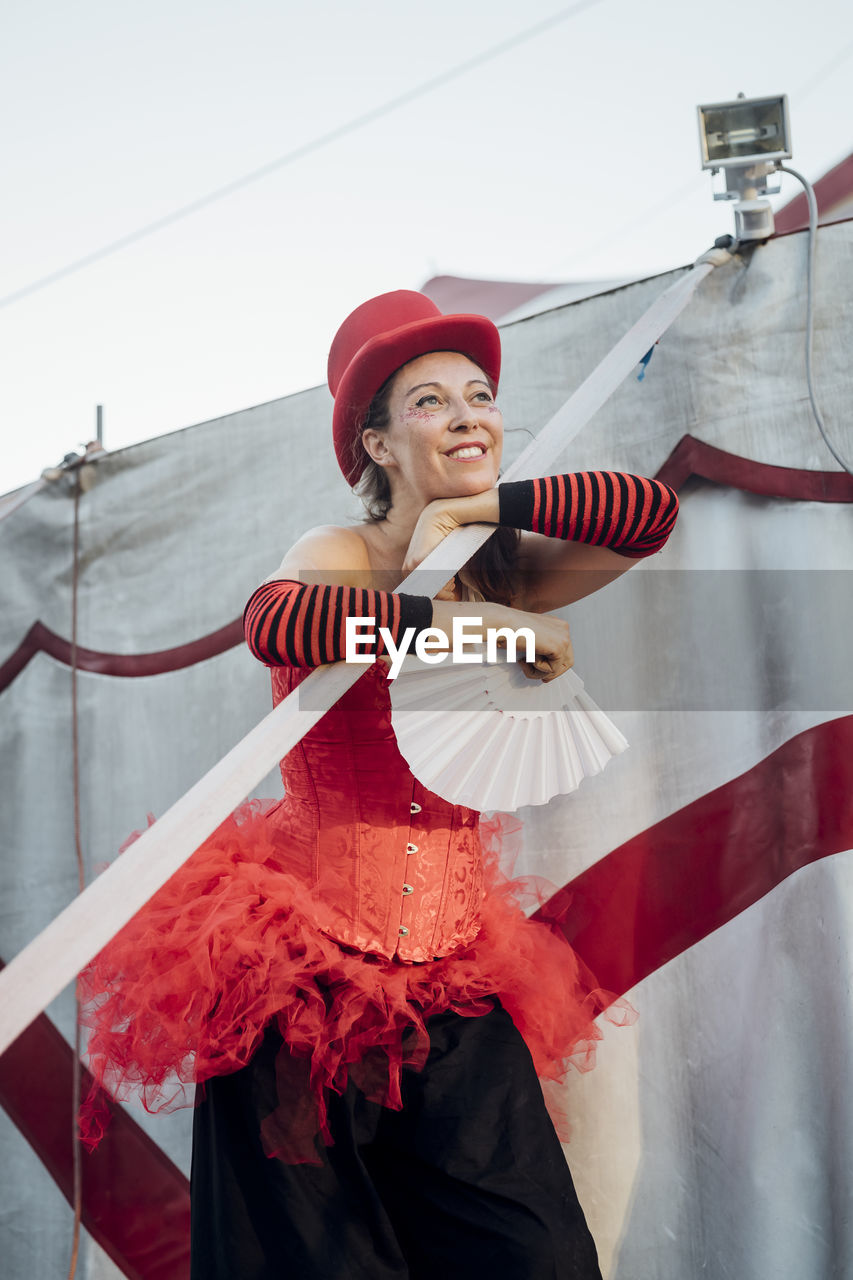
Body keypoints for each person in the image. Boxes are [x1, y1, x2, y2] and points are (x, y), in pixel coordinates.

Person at [82, 291, 678, 1280]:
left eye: (480, 396)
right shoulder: (339, 551)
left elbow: (646, 517)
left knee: (536, 1258)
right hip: (302, 976)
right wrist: (470, 630)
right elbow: (277, 625)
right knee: (316, 1264)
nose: (467, 416)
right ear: (377, 441)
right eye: (429, 402)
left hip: (453, 976)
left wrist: (476, 510)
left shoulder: (506, 569)